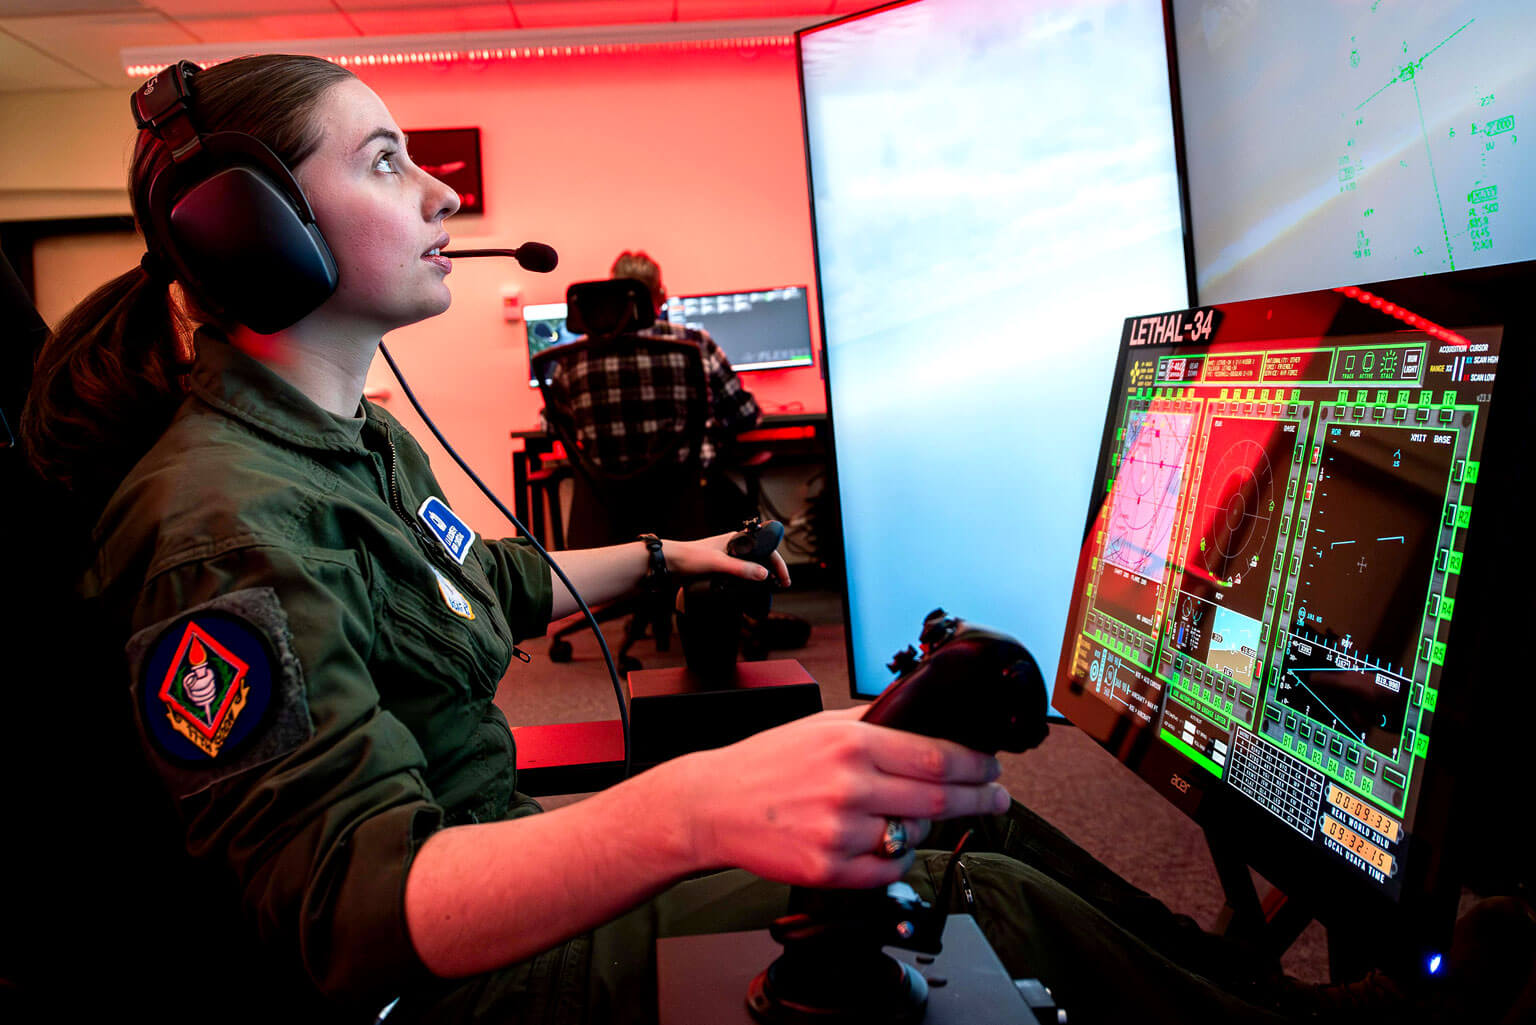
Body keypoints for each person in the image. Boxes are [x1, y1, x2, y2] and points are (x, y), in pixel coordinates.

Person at [11, 53, 1528, 1025]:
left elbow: (492, 581)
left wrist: (671, 561)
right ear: (253, 232)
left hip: (500, 871)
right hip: (446, 987)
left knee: (961, 814)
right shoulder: (220, 523)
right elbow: (350, 919)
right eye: (387, 160)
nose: (441, 191)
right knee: (954, 890)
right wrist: (697, 803)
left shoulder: (349, 438)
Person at [538, 249, 763, 530]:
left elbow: (551, 426)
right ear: (662, 296)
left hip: (609, 513)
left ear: (613, 295)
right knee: (749, 518)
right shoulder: (694, 344)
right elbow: (745, 414)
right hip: (685, 509)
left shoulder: (573, 358)